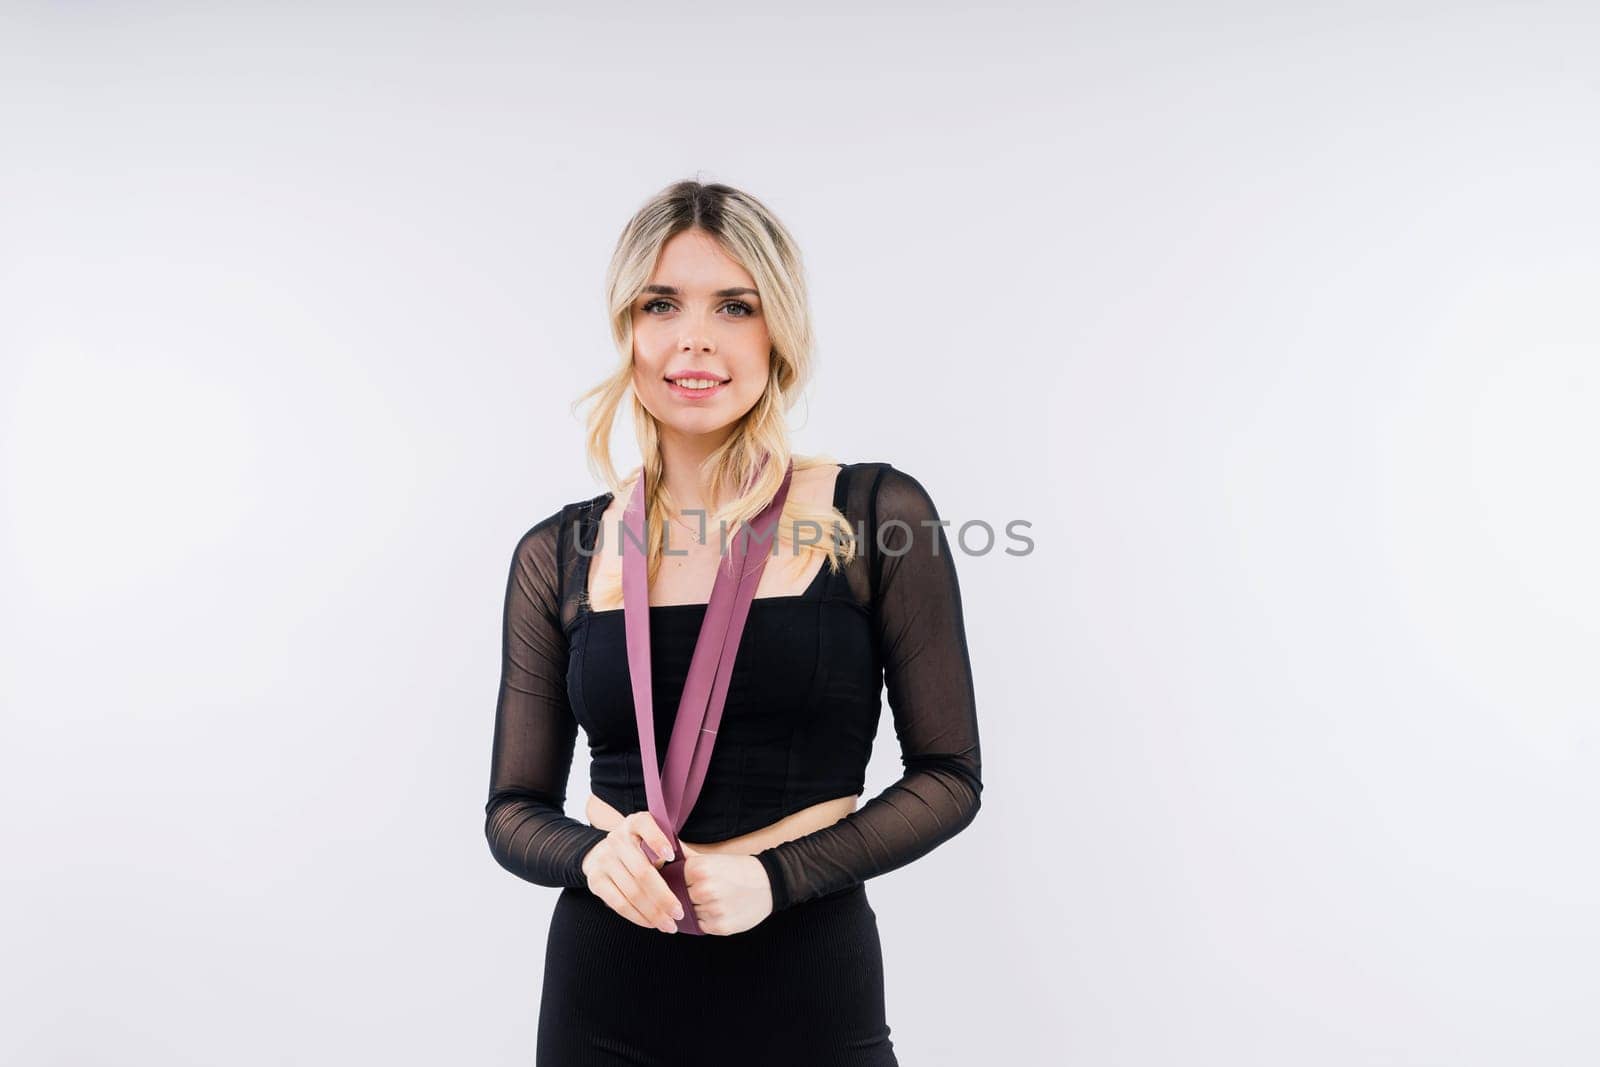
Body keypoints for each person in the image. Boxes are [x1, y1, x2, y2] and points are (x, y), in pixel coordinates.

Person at [484, 178, 984, 1066]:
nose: (695, 338)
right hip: (605, 993)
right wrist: (590, 858)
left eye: (735, 306)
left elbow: (950, 776)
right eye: (662, 303)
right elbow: (513, 809)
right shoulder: (558, 551)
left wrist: (775, 879)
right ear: (628, 329)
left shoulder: (876, 515)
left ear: (777, 330)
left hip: (807, 983)